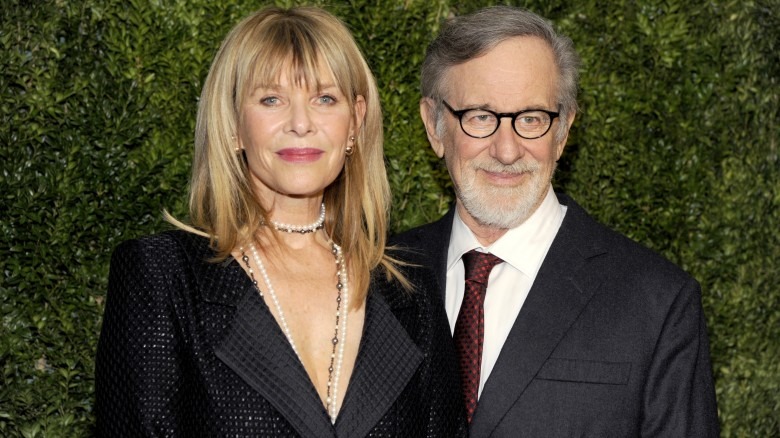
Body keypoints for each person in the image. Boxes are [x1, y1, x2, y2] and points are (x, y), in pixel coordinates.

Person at [95, 6, 465, 437]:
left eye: (324, 99)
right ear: (233, 124)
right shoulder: (161, 278)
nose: (301, 124)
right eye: (271, 99)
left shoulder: (410, 292)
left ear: (354, 123)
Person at [391, 5, 719, 437]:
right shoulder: (377, 277)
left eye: (531, 118)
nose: (506, 150)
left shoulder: (656, 303)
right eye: (480, 117)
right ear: (434, 127)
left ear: (563, 131)